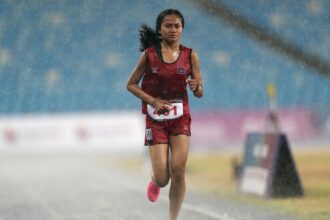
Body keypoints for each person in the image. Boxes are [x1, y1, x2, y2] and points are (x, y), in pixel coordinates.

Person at [126, 8, 203, 220]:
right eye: (168, 26)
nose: (173, 30)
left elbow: (199, 93)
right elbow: (131, 85)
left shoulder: (190, 55)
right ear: (160, 29)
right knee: (163, 178)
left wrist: (196, 86)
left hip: (180, 118)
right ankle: (154, 179)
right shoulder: (149, 55)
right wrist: (153, 101)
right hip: (156, 119)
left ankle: (172, 218)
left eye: (177, 26)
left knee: (179, 171)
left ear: (182, 29)